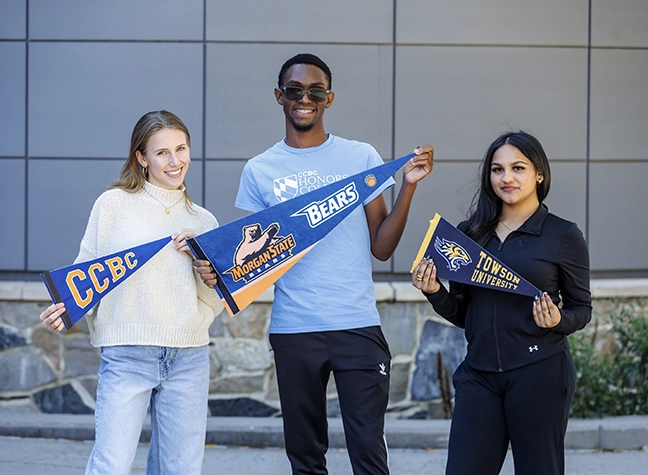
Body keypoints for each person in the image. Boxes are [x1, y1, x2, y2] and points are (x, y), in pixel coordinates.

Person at [195, 52, 433, 474]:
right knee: (305, 457)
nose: (305, 98)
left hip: (356, 324)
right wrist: (218, 272)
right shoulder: (259, 170)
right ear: (279, 96)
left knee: (369, 454)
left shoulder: (360, 157)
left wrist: (408, 189)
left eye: (315, 91)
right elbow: (252, 257)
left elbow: (382, 247)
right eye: (294, 90)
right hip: (294, 331)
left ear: (329, 98)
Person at [39, 110, 224, 475]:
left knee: (181, 470)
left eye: (181, 149)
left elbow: (214, 302)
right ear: (141, 157)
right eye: (162, 153)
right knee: (110, 466)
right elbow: (86, 273)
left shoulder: (204, 221)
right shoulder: (113, 205)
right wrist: (63, 311)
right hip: (127, 354)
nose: (175, 161)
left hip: (189, 357)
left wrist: (204, 268)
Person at [412, 131, 591, 475]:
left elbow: (582, 309)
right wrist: (434, 291)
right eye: (497, 170)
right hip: (479, 376)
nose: (506, 178)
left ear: (539, 173)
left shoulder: (563, 235)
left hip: (539, 374)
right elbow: (466, 315)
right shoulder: (469, 233)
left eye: (518, 168)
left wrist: (558, 321)